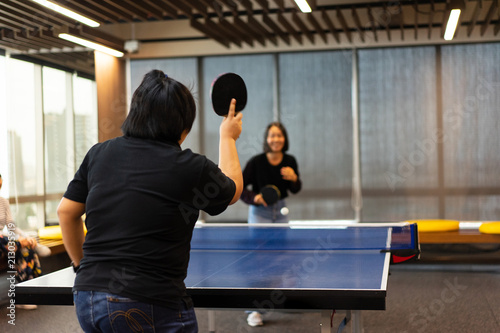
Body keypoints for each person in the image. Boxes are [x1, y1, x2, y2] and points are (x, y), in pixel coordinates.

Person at [57, 70, 243, 333]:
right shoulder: (189, 166)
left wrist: (81, 265)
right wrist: (227, 137)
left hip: (88, 298)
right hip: (150, 301)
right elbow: (233, 190)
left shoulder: (99, 154)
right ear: (183, 125)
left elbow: (66, 212)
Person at [240, 122, 301, 326]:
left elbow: (295, 188)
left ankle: (277, 299)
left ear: (284, 138)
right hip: (260, 212)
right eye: (272, 136)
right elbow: (239, 187)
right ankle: (253, 310)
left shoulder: (290, 160)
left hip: (281, 211)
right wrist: (255, 198)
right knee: (259, 260)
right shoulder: (256, 162)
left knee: (282, 257)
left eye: (279, 135)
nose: (276, 139)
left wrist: (294, 179)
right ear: (267, 139)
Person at [0, 173, 50, 310]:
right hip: (2, 241)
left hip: (5, 244)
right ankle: (20, 243)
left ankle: (25, 295)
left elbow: (11, 226)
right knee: (7, 241)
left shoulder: (3, 201)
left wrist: (26, 236)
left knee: (26, 250)